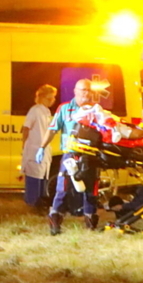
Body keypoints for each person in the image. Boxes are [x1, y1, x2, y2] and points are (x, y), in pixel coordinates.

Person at [37, 79, 99, 234]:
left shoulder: (96, 110)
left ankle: (90, 227)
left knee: (91, 191)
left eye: (90, 90)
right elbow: (52, 129)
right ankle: (55, 224)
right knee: (62, 189)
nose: (87, 93)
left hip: (90, 155)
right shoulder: (65, 109)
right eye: (84, 90)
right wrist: (41, 147)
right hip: (70, 155)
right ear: (75, 91)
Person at [21, 84, 56, 208]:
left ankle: (40, 204)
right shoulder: (35, 110)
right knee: (34, 178)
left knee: (42, 177)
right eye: (50, 98)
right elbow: (26, 128)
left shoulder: (46, 112)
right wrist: (24, 146)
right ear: (42, 98)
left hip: (43, 150)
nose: (53, 100)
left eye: (53, 98)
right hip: (34, 149)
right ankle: (32, 203)